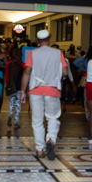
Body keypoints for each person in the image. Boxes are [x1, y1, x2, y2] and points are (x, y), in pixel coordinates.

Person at [20, 30, 68, 160]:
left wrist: (22, 91)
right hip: (52, 90)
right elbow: (65, 72)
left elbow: (27, 72)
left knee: (37, 121)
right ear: (49, 38)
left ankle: (40, 149)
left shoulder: (32, 53)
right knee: (52, 118)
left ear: (37, 40)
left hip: (36, 90)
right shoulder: (58, 53)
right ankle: (50, 139)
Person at [5, 46, 23, 129]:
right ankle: (16, 123)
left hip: (11, 85)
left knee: (11, 103)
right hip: (19, 87)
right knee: (18, 105)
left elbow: (7, 76)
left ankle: (10, 115)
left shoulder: (9, 63)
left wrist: (8, 83)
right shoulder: (23, 64)